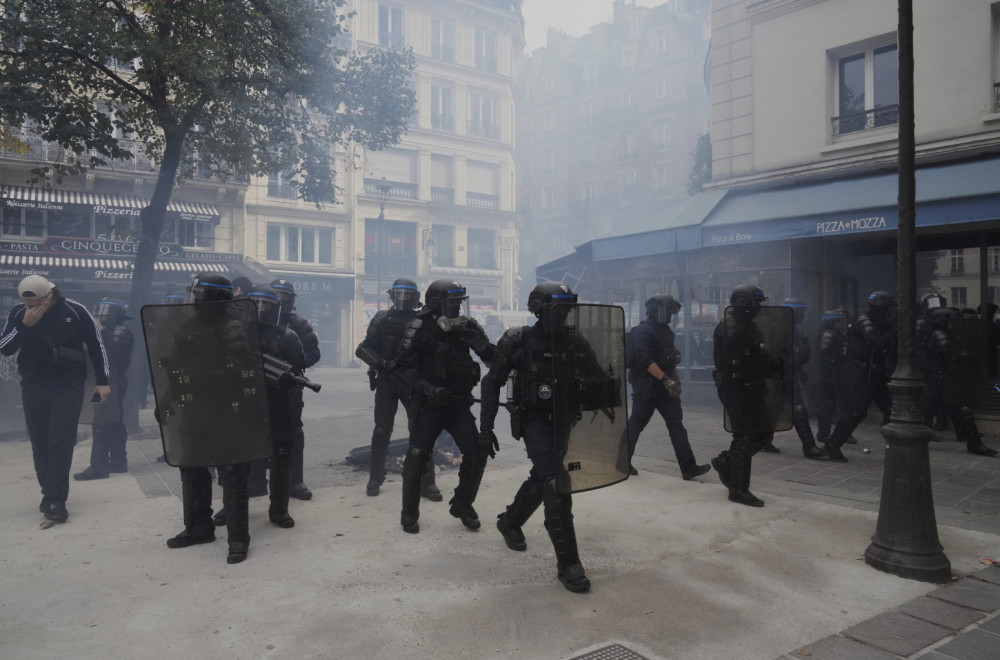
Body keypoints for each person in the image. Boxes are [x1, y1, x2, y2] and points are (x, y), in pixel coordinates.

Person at [480, 281, 615, 592]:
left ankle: (510, 522)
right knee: (556, 484)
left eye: (568, 309)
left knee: (543, 476)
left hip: (563, 419)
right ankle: (568, 564)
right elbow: (491, 384)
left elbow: (596, 375)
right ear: (539, 310)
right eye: (558, 309)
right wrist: (485, 432)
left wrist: (604, 392)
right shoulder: (519, 340)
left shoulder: (573, 340)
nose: (564, 315)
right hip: (534, 421)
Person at [160, 272, 259, 563]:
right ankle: (199, 527)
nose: (196, 299)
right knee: (191, 467)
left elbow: (238, 371)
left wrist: (200, 379)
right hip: (195, 409)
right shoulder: (188, 326)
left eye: (201, 294)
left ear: (216, 297)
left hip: (225, 409)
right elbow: (175, 368)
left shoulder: (232, 328)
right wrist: (167, 399)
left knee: (231, 473)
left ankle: (239, 537)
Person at [0, 275, 110, 523]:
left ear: (49, 296)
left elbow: (96, 345)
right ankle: (48, 492)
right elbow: (5, 347)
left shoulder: (75, 310)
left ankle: (56, 499)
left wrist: (103, 381)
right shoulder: (19, 313)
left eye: (36, 303)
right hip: (33, 385)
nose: (32, 308)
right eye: (27, 304)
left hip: (67, 385)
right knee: (39, 442)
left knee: (60, 440)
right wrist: (24, 325)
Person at [391, 279, 496, 534]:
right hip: (429, 404)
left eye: (461, 302)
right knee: (417, 456)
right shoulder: (419, 327)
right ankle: (409, 513)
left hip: (458, 403)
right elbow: (401, 367)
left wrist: (480, 344)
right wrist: (428, 388)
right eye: (454, 302)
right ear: (438, 302)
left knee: (476, 451)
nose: (459, 307)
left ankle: (462, 504)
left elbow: (495, 361)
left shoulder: (467, 326)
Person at [355, 278, 441, 499]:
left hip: (412, 383)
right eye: (398, 294)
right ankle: (375, 477)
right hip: (386, 381)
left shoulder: (422, 320)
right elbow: (364, 349)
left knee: (420, 431)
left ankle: (427, 479)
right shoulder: (382, 318)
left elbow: (430, 354)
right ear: (392, 296)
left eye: (406, 295)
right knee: (382, 430)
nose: (402, 298)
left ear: (414, 297)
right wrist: (381, 364)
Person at [711, 284, 789, 507]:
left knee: (764, 434)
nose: (759, 307)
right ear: (744, 303)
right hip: (737, 389)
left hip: (752, 388)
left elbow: (760, 355)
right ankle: (738, 489)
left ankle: (726, 460)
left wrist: (777, 365)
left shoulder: (748, 325)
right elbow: (743, 361)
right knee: (744, 437)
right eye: (756, 303)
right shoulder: (730, 327)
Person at [625, 294, 710, 479]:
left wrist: (674, 381)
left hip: (664, 386)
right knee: (636, 425)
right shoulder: (643, 331)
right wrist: (667, 380)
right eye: (667, 312)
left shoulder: (666, 332)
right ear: (656, 312)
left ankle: (688, 468)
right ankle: (622, 463)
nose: (670, 316)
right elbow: (644, 359)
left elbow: (669, 360)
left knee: (676, 425)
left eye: (672, 312)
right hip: (647, 387)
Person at [248, 285, 309, 526]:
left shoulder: (287, 335)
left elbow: (300, 364)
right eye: (257, 304)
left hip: (277, 402)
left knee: (282, 454)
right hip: (245, 402)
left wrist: (282, 377)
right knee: (238, 457)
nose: (262, 309)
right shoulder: (237, 332)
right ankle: (233, 503)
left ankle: (279, 508)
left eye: (268, 305)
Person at [822, 291, 897, 463]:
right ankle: (832, 445)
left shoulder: (882, 323)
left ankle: (894, 449)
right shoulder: (865, 321)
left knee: (891, 410)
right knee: (856, 412)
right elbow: (876, 342)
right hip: (861, 374)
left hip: (876, 374)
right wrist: (895, 331)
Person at [921, 307, 997, 457]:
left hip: (948, 378)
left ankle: (972, 442)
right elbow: (949, 353)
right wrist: (968, 354)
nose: (953, 324)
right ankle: (918, 439)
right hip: (940, 378)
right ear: (943, 321)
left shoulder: (947, 333)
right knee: (929, 411)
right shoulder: (938, 334)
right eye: (951, 321)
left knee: (961, 409)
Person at [271, 279, 321, 501]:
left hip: (289, 385)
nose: (280, 299)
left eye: (284, 295)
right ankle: (253, 481)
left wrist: (292, 365)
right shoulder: (254, 320)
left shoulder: (299, 324)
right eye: (276, 295)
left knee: (294, 431)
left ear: (291, 300)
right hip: (260, 384)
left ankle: (295, 480)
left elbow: (313, 354)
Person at [74, 299, 134, 480]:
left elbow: (102, 359)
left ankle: (99, 465)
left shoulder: (113, 333)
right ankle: (118, 461)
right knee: (115, 420)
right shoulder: (123, 331)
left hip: (105, 383)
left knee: (100, 420)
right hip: (115, 382)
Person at [780, 297, 826, 459]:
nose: (804, 315)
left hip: (790, 373)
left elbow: (798, 353)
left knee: (791, 409)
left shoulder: (796, 329)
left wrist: (799, 366)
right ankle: (809, 446)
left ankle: (809, 446)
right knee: (796, 409)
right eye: (802, 311)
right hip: (777, 375)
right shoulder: (778, 329)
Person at [816, 309, 849, 447]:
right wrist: (830, 375)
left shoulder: (835, 334)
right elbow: (825, 357)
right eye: (839, 321)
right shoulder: (828, 335)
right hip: (831, 375)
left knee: (839, 404)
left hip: (837, 373)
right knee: (828, 405)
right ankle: (824, 434)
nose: (841, 324)